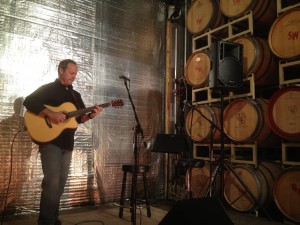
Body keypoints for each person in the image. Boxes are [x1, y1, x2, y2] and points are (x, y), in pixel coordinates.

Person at [23, 59, 102, 225]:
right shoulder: (49, 89)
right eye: (71, 73)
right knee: (51, 183)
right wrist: (50, 114)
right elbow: (29, 101)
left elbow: (80, 119)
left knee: (59, 185)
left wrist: (91, 115)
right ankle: (46, 222)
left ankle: (52, 219)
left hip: (67, 144)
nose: (74, 77)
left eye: (75, 74)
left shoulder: (76, 95)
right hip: (50, 142)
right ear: (61, 70)